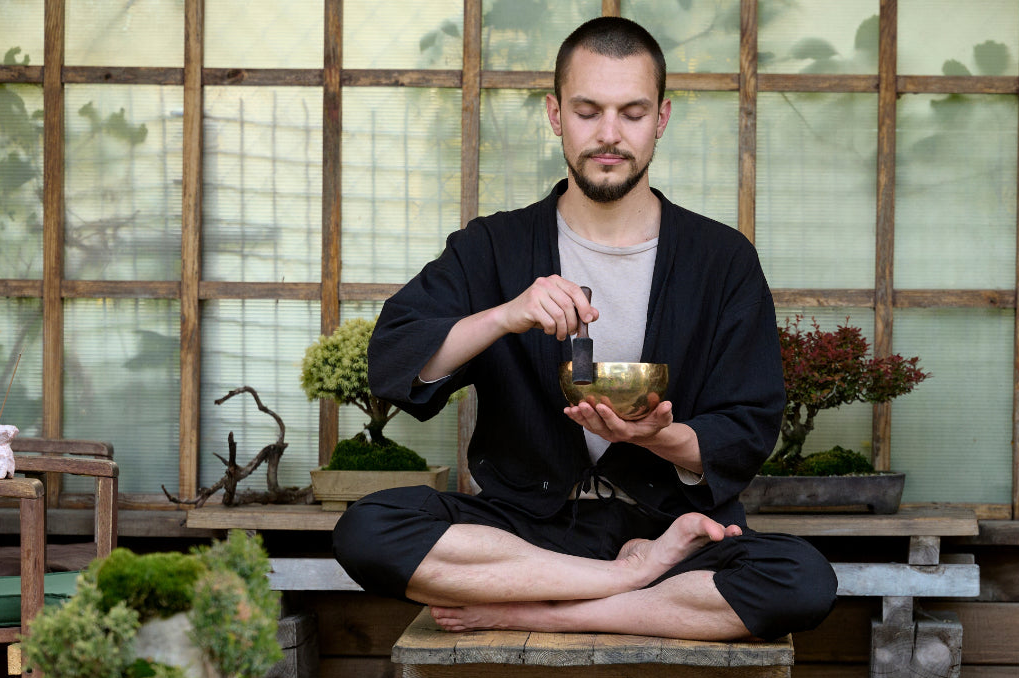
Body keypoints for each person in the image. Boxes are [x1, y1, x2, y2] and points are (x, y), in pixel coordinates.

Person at [333, 15, 836, 642]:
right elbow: (395, 357)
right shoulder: (494, 246)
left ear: (661, 118)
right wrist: (505, 315)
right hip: (525, 530)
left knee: (800, 580)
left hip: (669, 531)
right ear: (555, 114)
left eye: (632, 112)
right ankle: (619, 583)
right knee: (367, 529)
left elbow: (748, 428)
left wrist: (658, 436)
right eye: (588, 111)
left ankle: (546, 609)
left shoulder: (722, 260)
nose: (609, 134)